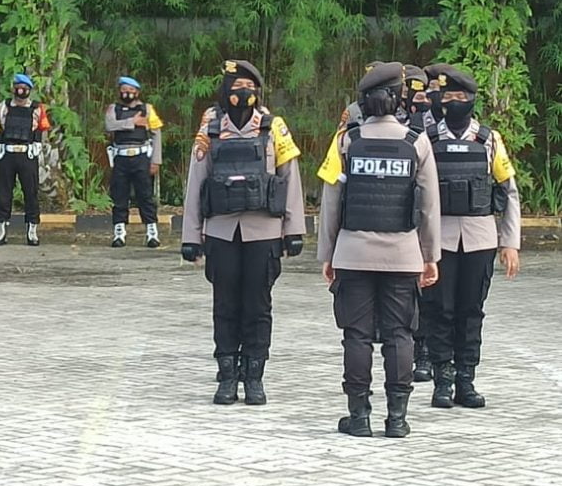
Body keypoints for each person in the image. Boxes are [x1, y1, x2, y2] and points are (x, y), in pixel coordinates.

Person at [318, 62, 441, 438]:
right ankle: (397, 419)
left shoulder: (346, 140)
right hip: (402, 256)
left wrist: (328, 254)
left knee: (356, 335)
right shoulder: (417, 142)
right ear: (399, 98)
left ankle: (358, 417)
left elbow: (331, 202)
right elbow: (429, 205)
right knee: (399, 334)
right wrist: (430, 256)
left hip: (353, 254)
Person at [180, 60, 306, 406]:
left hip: (263, 232)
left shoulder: (273, 126)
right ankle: (226, 376)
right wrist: (191, 236)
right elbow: (197, 181)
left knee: (258, 305)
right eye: (236, 86)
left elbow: (289, 177)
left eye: (249, 86)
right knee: (224, 305)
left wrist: (294, 229)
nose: (243, 92)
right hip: (221, 232)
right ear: (225, 90)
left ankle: (254, 375)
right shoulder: (210, 126)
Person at [422, 66, 520, 409]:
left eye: (460, 96)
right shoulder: (427, 138)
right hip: (439, 239)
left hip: (480, 239)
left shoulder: (489, 140)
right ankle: (442, 380)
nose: (453, 102)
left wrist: (510, 242)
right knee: (439, 310)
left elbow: (508, 191)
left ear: (472, 101)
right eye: (447, 96)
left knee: (471, 310)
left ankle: (466, 379)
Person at [0, 74, 49, 246]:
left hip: (27, 155)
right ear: (13, 88)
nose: (21, 91)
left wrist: (41, 156)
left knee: (31, 193)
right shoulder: (3, 106)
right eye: (18, 87)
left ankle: (32, 231)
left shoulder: (37, 109)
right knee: (3, 193)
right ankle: (1, 231)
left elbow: (43, 132)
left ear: (30, 90)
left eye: (24, 88)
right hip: (7, 155)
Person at [105, 76, 164, 248]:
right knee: (119, 196)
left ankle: (152, 233)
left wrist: (156, 161)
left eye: (131, 90)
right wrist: (133, 122)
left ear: (137, 92)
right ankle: (119, 233)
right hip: (120, 157)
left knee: (145, 196)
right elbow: (109, 125)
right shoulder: (113, 108)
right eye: (124, 90)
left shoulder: (147, 109)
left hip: (141, 157)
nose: (127, 93)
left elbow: (156, 134)